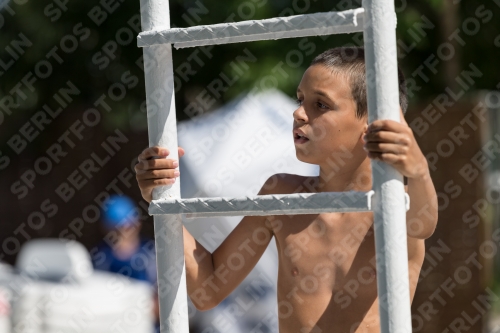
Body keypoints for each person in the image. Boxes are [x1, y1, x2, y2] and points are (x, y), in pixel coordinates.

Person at [134, 47, 438, 333]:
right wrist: (163, 199)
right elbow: (208, 289)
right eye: (300, 100)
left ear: (372, 122)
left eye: (320, 105)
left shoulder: (393, 202)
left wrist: (418, 168)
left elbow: (423, 223)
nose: (299, 114)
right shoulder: (281, 195)